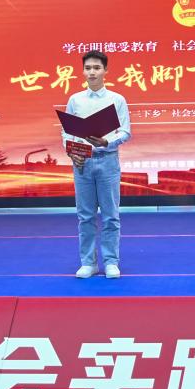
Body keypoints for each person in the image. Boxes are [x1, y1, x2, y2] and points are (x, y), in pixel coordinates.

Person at [62, 50, 131, 279]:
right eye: (88, 68)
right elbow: (67, 132)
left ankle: (111, 262)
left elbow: (125, 131)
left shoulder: (117, 99)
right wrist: (72, 152)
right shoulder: (75, 100)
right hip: (82, 162)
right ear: (83, 71)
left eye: (96, 68)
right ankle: (88, 263)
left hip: (108, 160)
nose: (92, 72)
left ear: (105, 71)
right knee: (85, 216)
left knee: (111, 215)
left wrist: (106, 141)